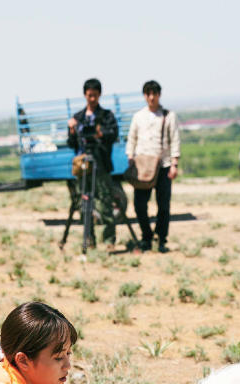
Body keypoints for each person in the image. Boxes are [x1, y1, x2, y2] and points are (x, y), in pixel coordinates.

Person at [126, 80, 181, 253]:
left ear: (159, 95)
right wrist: (130, 157)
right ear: (144, 96)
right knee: (139, 205)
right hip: (143, 166)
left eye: (154, 93)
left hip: (163, 165)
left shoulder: (168, 115)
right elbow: (132, 138)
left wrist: (174, 163)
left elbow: (175, 140)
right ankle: (146, 236)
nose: (151, 97)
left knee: (163, 205)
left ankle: (161, 238)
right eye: (148, 94)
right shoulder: (138, 116)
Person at [67, 78, 121, 249]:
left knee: (105, 202)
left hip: (101, 164)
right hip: (84, 167)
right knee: (85, 204)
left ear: (99, 95)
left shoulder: (106, 117)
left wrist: (100, 134)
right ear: (85, 95)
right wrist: (72, 130)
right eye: (90, 95)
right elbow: (72, 144)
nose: (92, 99)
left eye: (95, 96)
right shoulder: (78, 118)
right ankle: (89, 239)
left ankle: (108, 240)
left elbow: (113, 135)